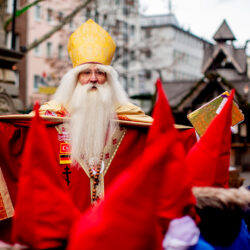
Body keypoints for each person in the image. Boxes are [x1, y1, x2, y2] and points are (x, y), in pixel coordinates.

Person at [0, 19, 196, 243]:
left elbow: (171, 142)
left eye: (100, 73)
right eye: (86, 73)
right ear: (74, 79)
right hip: (65, 234)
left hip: (119, 232)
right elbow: (10, 140)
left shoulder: (131, 120)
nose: (93, 79)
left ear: (109, 79)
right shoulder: (49, 119)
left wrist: (202, 131)